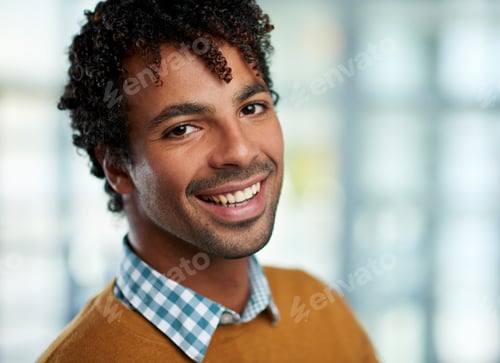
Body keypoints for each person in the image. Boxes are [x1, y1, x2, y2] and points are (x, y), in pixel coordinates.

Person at [38, 0, 379, 362]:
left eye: (251, 108)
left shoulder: (320, 310)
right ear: (118, 167)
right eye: (183, 129)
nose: (241, 151)